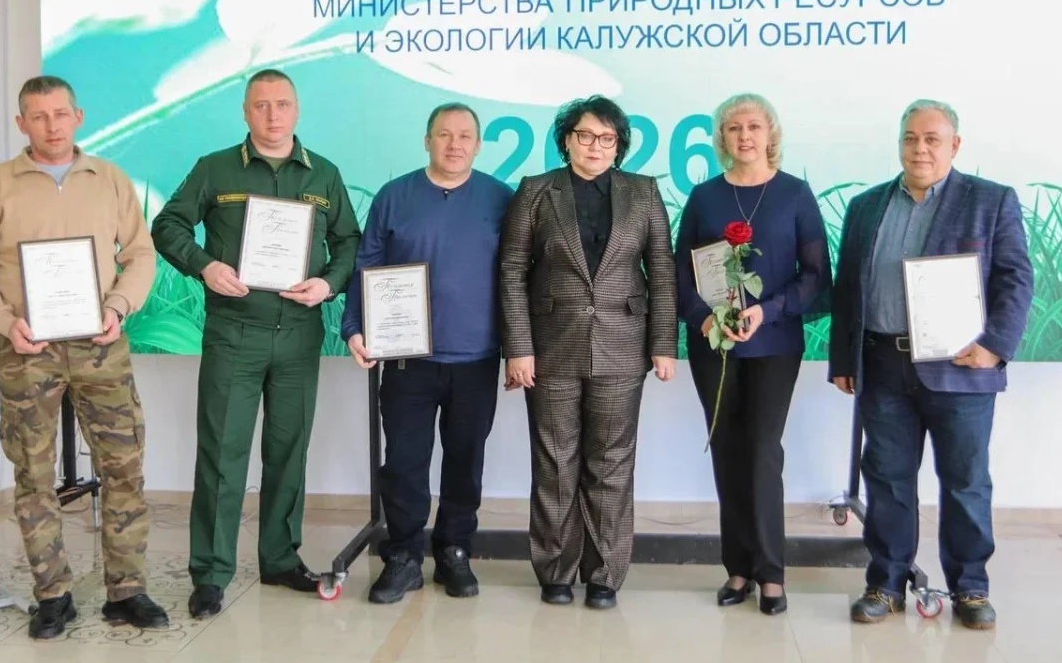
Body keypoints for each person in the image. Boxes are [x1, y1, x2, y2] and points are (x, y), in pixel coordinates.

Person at [0, 75, 168, 639]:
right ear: (21, 123)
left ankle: (127, 591)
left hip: (101, 347)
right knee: (33, 473)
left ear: (78, 117)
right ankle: (53, 595)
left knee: (123, 466)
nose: (52, 126)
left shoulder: (109, 180)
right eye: (39, 116)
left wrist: (118, 305)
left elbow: (140, 254)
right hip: (28, 351)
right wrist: (5, 322)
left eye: (61, 114)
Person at [150, 69, 361, 618]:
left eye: (282, 104)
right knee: (222, 454)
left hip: (299, 336)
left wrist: (329, 284)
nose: (272, 115)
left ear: (297, 110)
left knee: (288, 451)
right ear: (245, 112)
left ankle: (280, 558)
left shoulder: (324, 174)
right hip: (234, 334)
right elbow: (168, 226)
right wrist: (204, 266)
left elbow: (349, 241)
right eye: (261, 105)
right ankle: (211, 573)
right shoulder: (215, 168)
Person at [829, 99, 1033, 630]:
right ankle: (886, 583)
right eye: (910, 138)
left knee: (965, 481)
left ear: (954, 145)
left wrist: (995, 346)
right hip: (881, 364)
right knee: (887, 479)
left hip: (961, 368)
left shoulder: (990, 200)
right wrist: (843, 358)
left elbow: (1015, 278)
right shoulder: (866, 206)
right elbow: (848, 287)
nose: (920, 149)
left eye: (932, 139)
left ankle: (971, 588)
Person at [499, 95, 677, 610]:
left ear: (619, 145)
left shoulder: (643, 192)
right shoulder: (536, 191)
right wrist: (519, 348)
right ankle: (555, 570)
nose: (595, 146)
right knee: (555, 462)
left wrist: (663, 344)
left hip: (623, 346)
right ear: (566, 140)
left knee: (611, 463)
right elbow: (512, 270)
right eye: (584, 136)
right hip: (550, 348)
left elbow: (662, 272)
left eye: (606, 138)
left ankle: (604, 575)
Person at [341, 103, 513, 604]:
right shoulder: (394, 197)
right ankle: (403, 556)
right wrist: (355, 327)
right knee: (404, 463)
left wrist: (523, 348)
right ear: (427, 140)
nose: (454, 144)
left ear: (478, 145)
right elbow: (367, 265)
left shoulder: (502, 199)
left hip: (476, 359)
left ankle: (455, 551)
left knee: (465, 460)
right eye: (444, 134)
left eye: (465, 136)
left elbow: (521, 273)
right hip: (406, 361)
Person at [674, 93, 832, 617]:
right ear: (721, 138)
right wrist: (705, 317)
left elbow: (816, 276)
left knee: (762, 451)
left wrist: (769, 309)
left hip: (774, 344)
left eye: (754, 126)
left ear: (771, 134)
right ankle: (737, 568)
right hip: (713, 345)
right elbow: (679, 273)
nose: (744, 136)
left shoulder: (795, 194)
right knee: (726, 448)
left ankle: (771, 572)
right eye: (733, 128)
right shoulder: (704, 197)